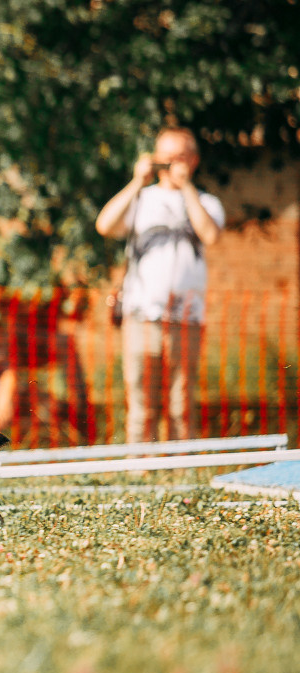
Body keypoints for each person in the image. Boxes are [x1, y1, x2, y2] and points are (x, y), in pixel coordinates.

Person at [95, 126, 224, 443]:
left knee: (182, 401)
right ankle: (141, 468)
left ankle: (183, 471)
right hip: (142, 315)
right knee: (141, 400)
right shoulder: (142, 199)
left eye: (178, 156)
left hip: (186, 317)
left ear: (193, 160)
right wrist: (138, 181)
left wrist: (187, 189)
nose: (169, 163)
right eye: (163, 156)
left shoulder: (206, 201)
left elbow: (210, 234)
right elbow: (105, 225)